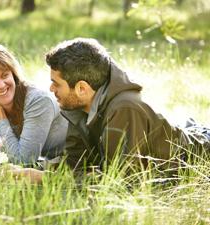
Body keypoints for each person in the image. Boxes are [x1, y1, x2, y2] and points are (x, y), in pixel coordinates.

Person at [45, 37, 210, 171]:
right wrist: (36, 171)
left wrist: (45, 179)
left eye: (56, 83)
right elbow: (76, 162)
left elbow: (121, 181)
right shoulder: (80, 107)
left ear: (82, 88)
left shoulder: (124, 109)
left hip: (202, 153)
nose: (51, 88)